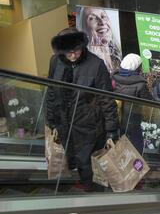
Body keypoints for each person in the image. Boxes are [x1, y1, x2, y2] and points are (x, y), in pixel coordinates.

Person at [46, 28, 119, 191]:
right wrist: (51, 121)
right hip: (64, 120)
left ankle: (90, 189)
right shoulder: (55, 62)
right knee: (71, 156)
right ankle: (80, 182)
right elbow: (51, 91)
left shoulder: (96, 65)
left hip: (89, 124)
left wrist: (111, 130)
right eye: (68, 53)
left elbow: (106, 99)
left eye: (76, 51)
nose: (72, 56)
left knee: (87, 160)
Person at [112, 53, 152, 154]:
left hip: (116, 115)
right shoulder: (140, 83)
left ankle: (121, 161)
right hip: (133, 118)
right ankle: (136, 164)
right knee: (137, 141)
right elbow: (149, 100)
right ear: (137, 67)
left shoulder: (113, 78)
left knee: (120, 139)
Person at [78, 7, 122, 73]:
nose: (102, 22)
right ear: (84, 28)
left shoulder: (120, 55)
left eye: (103, 16)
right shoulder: (85, 63)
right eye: (92, 18)